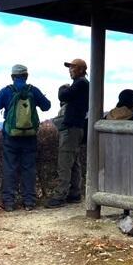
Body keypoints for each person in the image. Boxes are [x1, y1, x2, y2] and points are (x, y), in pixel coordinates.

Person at [0, 64, 51, 212]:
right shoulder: (33, 90)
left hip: (11, 136)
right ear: (26, 76)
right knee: (29, 168)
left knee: (10, 168)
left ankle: (9, 203)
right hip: (30, 136)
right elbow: (47, 106)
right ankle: (29, 202)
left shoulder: (6, 91)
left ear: (12, 77)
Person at [46, 58, 89, 208]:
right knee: (74, 161)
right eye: (70, 68)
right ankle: (74, 193)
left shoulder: (81, 83)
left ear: (82, 69)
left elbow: (63, 96)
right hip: (77, 128)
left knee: (65, 162)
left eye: (73, 68)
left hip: (70, 129)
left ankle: (59, 195)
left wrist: (62, 88)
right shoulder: (84, 84)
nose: (70, 70)